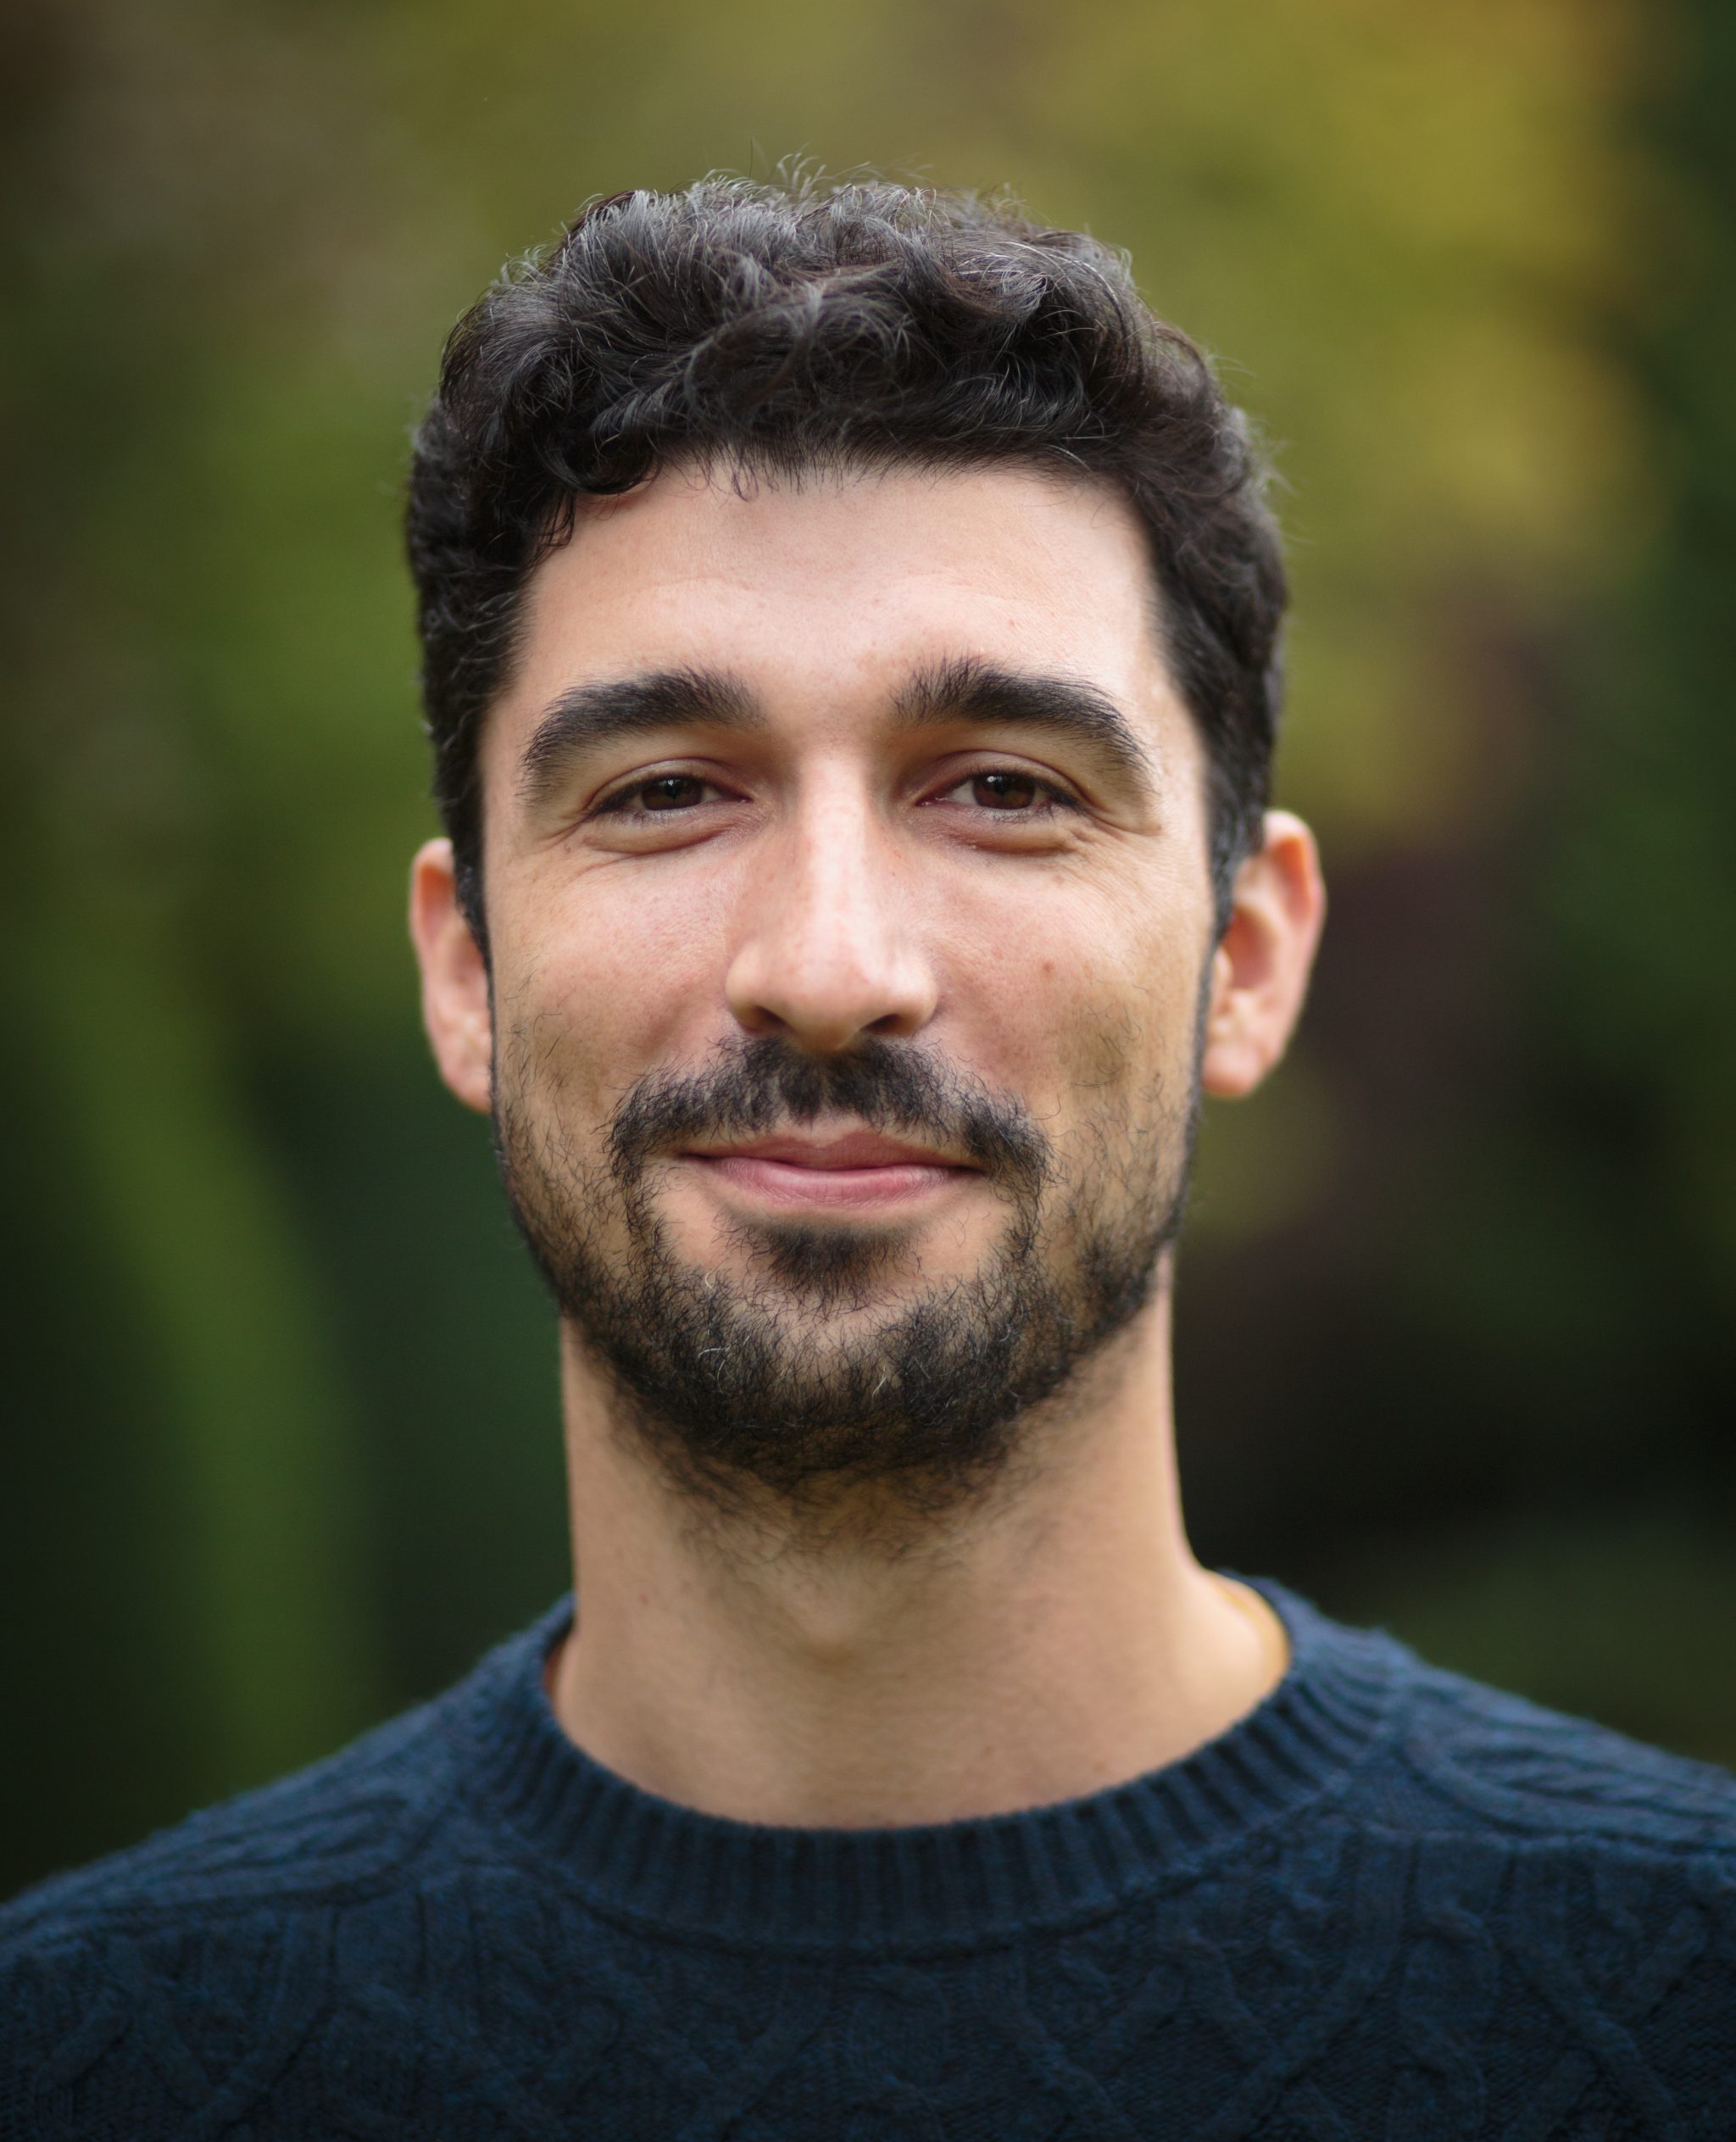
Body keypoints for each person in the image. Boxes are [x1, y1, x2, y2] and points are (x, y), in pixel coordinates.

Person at [3, 175, 1733, 2138]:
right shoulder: (88, 2065)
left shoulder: (1679, 2009)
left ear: (1244, 959)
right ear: (465, 966)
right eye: (668, 792)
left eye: (1000, 788)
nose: (829, 969)